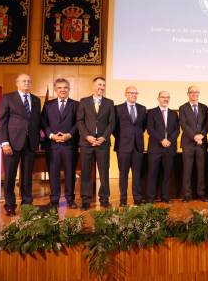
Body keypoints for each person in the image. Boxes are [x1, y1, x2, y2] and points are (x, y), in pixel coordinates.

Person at [0, 73, 41, 215]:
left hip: (30, 143)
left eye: (29, 81)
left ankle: (27, 204)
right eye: (24, 81)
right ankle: (10, 205)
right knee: (10, 176)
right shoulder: (8, 98)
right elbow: (1, 122)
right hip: (12, 143)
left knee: (27, 175)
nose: (27, 83)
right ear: (17, 83)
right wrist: (4, 143)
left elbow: (36, 122)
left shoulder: (35, 100)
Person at [76, 77, 115, 210]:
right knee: (86, 172)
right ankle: (86, 200)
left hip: (103, 143)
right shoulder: (84, 101)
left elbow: (112, 123)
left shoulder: (110, 103)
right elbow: (80, 121)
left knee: (104, 172)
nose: (101, 87)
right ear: (93, 86)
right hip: (87, 143)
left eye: (103, 85)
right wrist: (88, 136)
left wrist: (104, 137)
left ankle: (104, 199)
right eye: (99, 84)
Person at [41, 78, 79, 208]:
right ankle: (54, 199)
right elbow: (43, 123)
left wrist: (69, 135)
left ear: (69, 89)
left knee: (70, 172)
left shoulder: (76, 105)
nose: (62, 90)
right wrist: (51, 135)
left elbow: (78, 123)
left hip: (69, 144)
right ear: (55, 90)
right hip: (52, 145)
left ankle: (70, 199)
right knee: (53, 172)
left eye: (65, 88)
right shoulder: (48, 105)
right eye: (59, 88)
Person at [113, 86, 147, 206]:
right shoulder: (117, 108)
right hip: (123, 147)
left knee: (137, 175)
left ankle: (137, 199)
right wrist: (124, 138)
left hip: (138, 147)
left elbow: (142, 127)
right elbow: (114, 128)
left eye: (135, 93)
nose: (134, 95)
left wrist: (135, 137)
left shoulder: (142, 109)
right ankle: (123, 200)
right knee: (123, 175)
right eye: (131, 93)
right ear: (125, 94)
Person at [146, 91, 179, 203]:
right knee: (152, 173)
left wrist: (169, 140)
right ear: (158, 98)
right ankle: (151, 198)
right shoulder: (151, 112)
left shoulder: (174, 114)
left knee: (167, 174)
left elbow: (177, 130)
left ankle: (165, 197)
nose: (165, 99)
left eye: (167, 97)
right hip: (155, 148)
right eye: (163, 97)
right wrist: (161, 140)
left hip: (169, 148)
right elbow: (150, 129)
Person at [179, 86, 208, 202]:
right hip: (188, 143)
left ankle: (201, 193)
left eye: (196, 92)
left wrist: (202, 135)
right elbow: (184, 125)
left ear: (199, 93)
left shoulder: (204, 107)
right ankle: (186, 195)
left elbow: (207, 124)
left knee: (201, 170)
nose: (194, 94)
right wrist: (194, 136)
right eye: (192, 92)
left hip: (201, 143)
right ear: (188, 94)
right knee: (187, 170)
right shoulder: (183, 108)